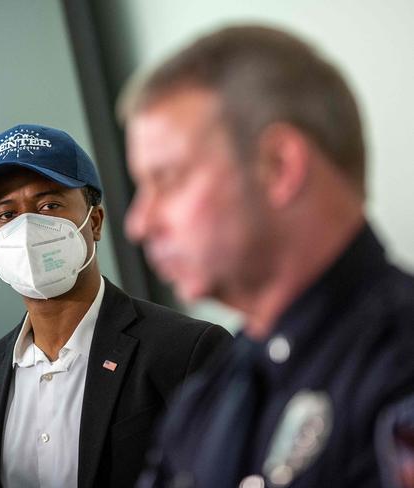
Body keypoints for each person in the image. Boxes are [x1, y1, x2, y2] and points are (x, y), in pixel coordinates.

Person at [120, 25, 414, 488]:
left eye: (169, 180)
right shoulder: (204, 399)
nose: (139, 222)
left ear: (278, 167)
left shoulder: (398, 369)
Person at [0, 124, 232, 488]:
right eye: (6, 215)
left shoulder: (185, 351)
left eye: (49, 205)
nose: (27, 228)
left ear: (95, 221)